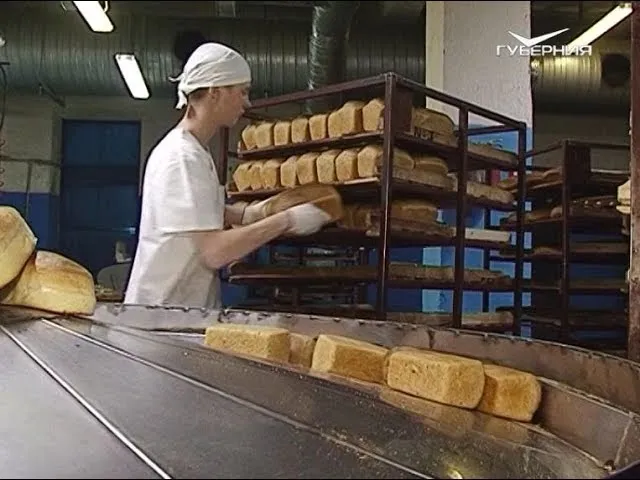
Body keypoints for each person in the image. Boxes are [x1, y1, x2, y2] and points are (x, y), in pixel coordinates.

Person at [124, 42, 331, 309]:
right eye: (242, 91)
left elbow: (195, 213)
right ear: (215, 92)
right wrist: (286, 220)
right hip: (162, 313)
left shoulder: (194, 150)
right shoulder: (182, 158)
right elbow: (215, 252)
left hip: (179, 310)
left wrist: (251, 213)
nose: (247, 102)